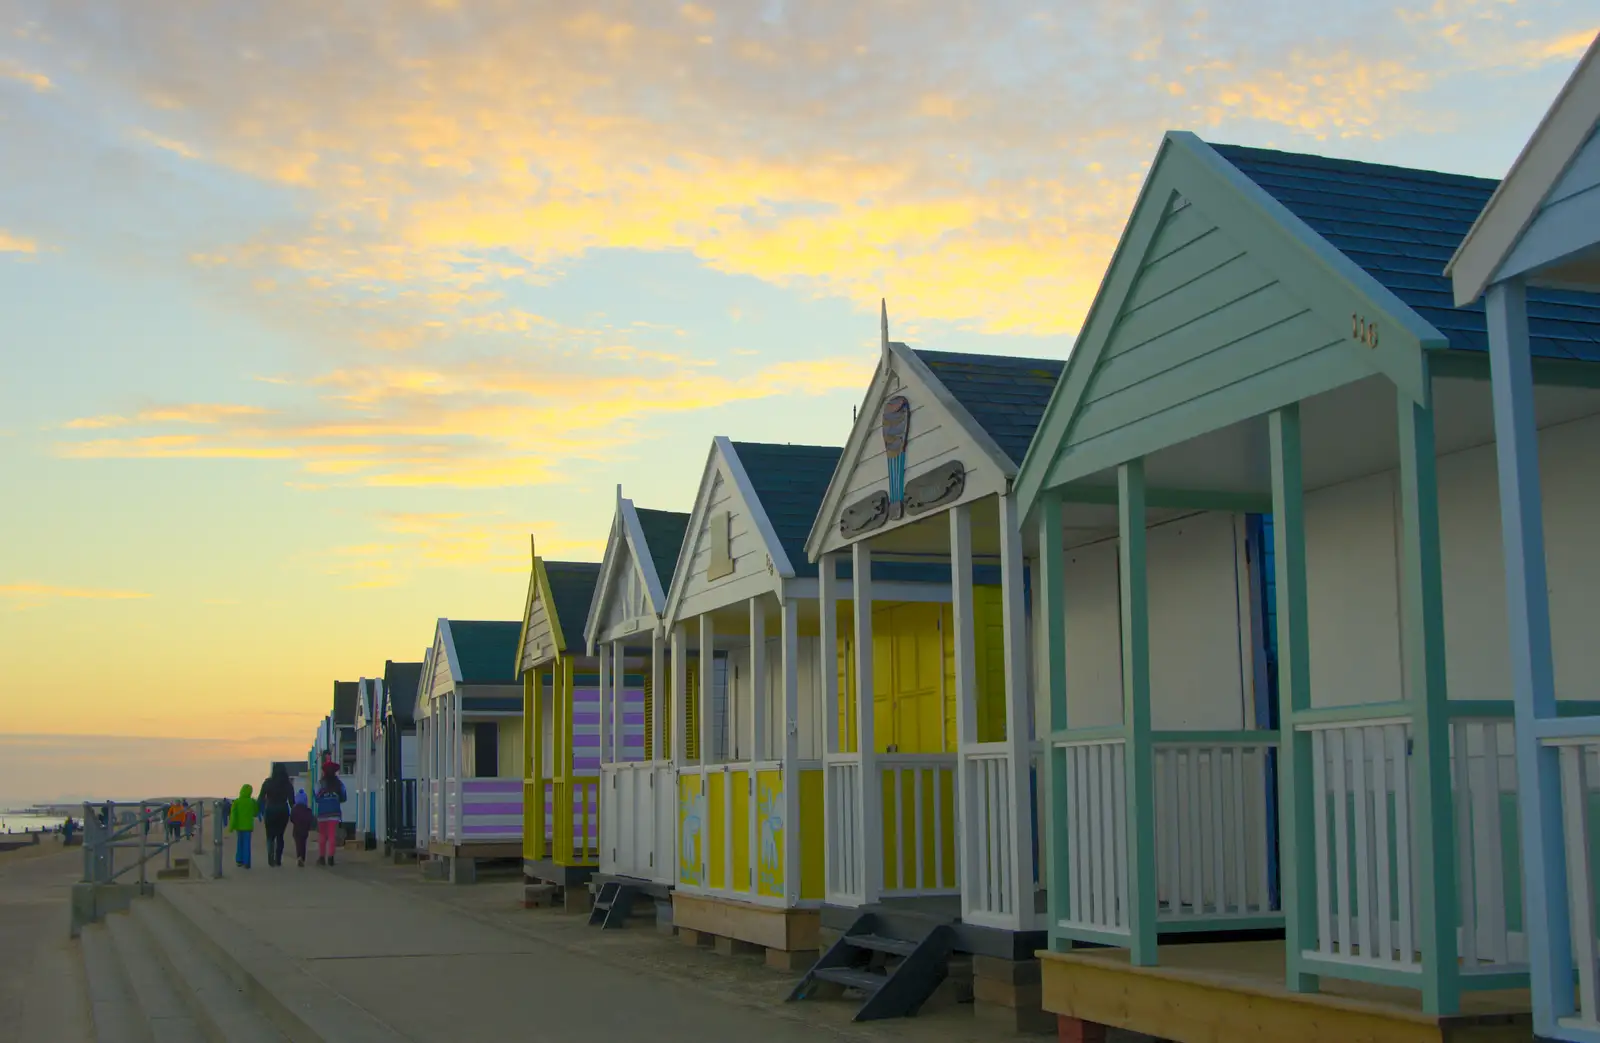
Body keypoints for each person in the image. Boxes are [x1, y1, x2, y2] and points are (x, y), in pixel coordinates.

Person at [258, 763, 294, 868]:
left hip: (270, 810)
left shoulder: (268, 783)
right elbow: (292, 801)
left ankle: (270, 857)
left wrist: (259, 811)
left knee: (270, 835)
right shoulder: (287, 784)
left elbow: (261, 798)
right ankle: (278, 859)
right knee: (280, 836)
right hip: (283, 810)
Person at [312, 760, 346, 867]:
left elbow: (316, 797)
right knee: (332, 835)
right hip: (334, 813)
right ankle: (331, 858)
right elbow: (344, 797)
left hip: (322, 813)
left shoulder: (319, 784)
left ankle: (322, 858)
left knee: (322, 835)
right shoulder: (339, 784)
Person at [228, 784, 258, 869]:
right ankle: (247, 862)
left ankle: (239, 860)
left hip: (239, 826)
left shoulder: (237, 802)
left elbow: (233, 815)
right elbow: (255, 812)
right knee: (247, 844)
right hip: (248, 827)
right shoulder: (252, 801)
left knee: (239, 843)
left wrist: (231, 827)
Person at [290, 791, 316, 868]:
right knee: (303, 844)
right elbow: (311, 819)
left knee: (298, 844)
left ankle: (299, 857)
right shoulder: (308, 810)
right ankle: (303, 858)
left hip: (296, 830)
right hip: (305, 830)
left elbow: (291, 819)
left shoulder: (294, 809)